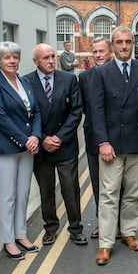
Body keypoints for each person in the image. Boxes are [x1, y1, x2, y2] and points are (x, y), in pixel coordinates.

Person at [89, 26, 138, 265]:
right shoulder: (101, 73)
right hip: (112, 145)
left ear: (133, 43)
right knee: (109, 195)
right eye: (119, 42)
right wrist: (102, 142)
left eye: (128, 42)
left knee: (133, 193)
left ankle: (129, 232)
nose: (124, 46)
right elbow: (96, 111)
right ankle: (106, 243)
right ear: (112, 46)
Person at [24, 44, 87, 246]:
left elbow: (76, 110)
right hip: (41, 147)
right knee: (46, 190)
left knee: (70, 188)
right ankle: (50, 227)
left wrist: (59, 137)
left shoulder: (68, 79)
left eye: (53, 56)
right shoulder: (26, 81)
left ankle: (76, 228)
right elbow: (27, 115)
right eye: (45, 57)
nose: (51, 60)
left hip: (65, 144)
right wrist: (43, 138)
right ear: (35, 61)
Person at [0, 42, 42, 261]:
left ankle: (21, 234)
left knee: (23, 193)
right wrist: (25, 140)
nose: (12, 61)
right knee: (8, 195)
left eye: (15, 58)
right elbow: (0, 117)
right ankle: (8, 239)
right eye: (7, 58)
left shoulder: (24, 81)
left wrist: (36, 136)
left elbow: (35, 111)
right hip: (5, 148)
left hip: (28, 146)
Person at [78, 37, 113, 238]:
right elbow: (84, 107)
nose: (98, 55)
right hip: (93, 138)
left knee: (119, 186)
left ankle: (119, 224)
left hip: (118, 137)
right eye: (95, 52)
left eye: (101, 51)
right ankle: (103, 223)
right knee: (98, 184)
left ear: (110, 52)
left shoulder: (118, 73)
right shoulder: (84, 77)